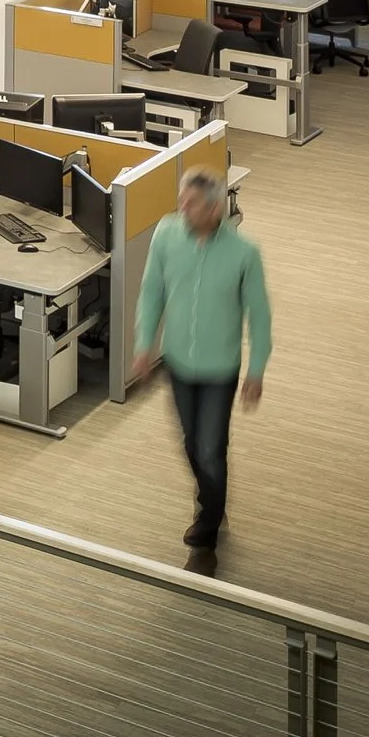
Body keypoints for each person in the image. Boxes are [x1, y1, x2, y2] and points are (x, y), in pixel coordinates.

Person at [131, 168, 272, 577]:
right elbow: (151, 293)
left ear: (213, 209)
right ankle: (214, 499)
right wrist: (145, 345)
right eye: (181, 199)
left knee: (210, 449)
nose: (181, 208)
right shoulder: (166, 235)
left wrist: (257, 368)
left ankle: (205, 537)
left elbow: (259, 315)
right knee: (193, 446)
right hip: (178, 362)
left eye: (189, 203)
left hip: (220, 368)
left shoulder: (244, 253)